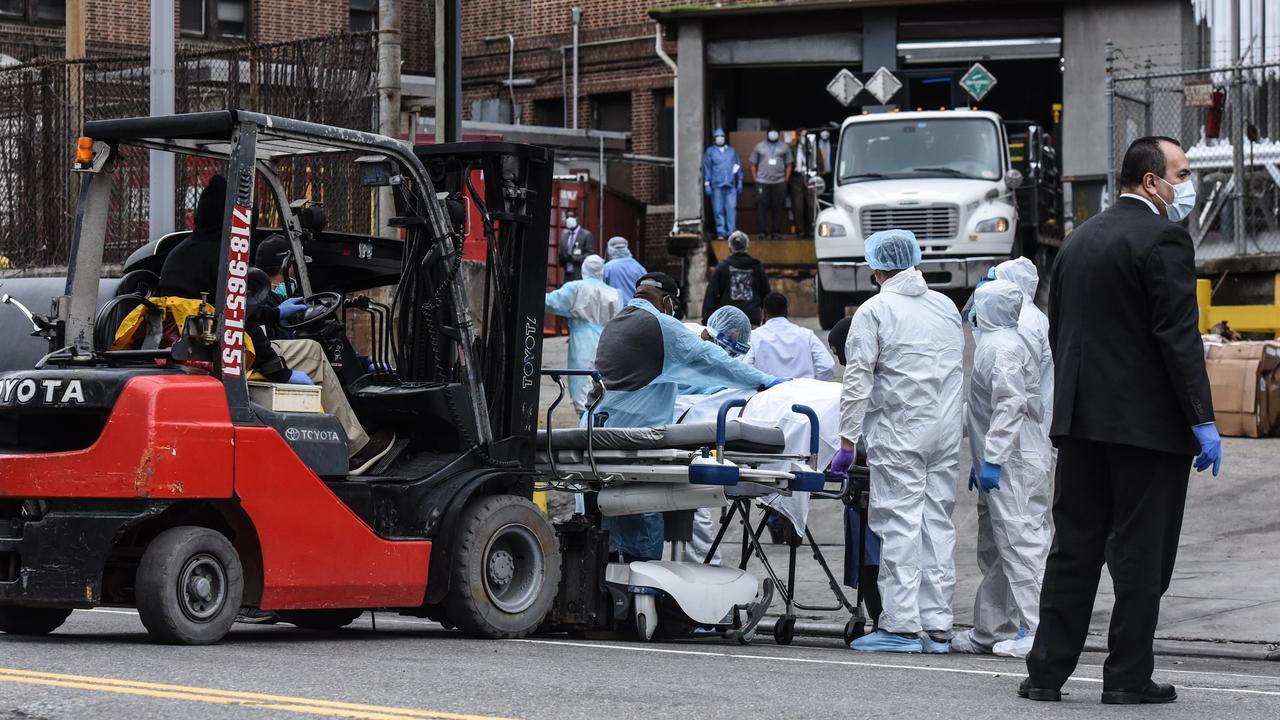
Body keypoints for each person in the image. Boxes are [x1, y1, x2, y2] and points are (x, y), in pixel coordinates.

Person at [1022, 136, 1221, 705]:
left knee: (1074, 548)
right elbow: (1177, 336)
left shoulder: (1078, 239)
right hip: (1146, 429)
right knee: (1140, 555)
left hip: (1081, 422)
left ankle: (1045, 673)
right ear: (1152, 182)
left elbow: (1061, 329)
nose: (1187, 186)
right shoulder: (1165, 236)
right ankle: (1127, 676)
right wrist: (1201, 418)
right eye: (1181, 175)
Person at [155, 176, 394, 476]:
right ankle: (357, 447)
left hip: (194, 349)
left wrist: (274, 315)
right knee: (312, 352)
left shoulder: (179, 252)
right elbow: (241, 322)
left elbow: (236, 311)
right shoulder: (227, 256)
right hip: (227, 354)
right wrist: (279, 370)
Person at [829, 228, 963, 654]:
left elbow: (857, 380)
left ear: (875, 268)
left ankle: (902, 626)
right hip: (944, 432)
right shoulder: (945, 307)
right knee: (937, 524)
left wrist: (847, 441)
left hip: (901, 432)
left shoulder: (874, 311)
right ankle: (938, 626)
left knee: (900, 524)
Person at [592, 272, 784, 561]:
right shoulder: (662, 325)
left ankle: (607, 593)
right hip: (634, 438)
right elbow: (711, 360)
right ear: (668, 301)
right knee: (639, 530)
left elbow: (673, 380)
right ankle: (640, 595)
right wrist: (764, 381)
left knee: (601, 533)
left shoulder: (618, 323)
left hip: (598, 431)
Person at [950, 279, 1051, 659]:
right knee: (1002, 550)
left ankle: (1044, 632)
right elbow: (985, 410)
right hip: (1010, 460)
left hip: (1014, 463)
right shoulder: (997, 343)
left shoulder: (1002, 347)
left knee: (1024, 546)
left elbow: (1010, 405)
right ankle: (992, 631)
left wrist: (992, 457)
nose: (972, 312)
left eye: (978, 304)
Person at [543, 254, 622, 416]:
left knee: (581, 381)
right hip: (607, 340)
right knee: (601, 381)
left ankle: (584, 422)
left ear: (584, 269)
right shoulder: (614, 293)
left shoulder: (576, 288)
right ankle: (598, 420)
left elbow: (550, 302)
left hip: (582, 340)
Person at [746, 292, 834, 380]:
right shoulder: (807, 335)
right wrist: (813, 388)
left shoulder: (754, 336)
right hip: (802, 392)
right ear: (787, 311)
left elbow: (744, 368)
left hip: (768, 392)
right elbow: (826, 366)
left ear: (764, 313)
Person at [702, 231, 770, 325]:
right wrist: (768, 319)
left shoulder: (722, 268)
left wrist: (707, 321)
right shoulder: (757, 267)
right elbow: (766, 294)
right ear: (747, 247)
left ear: (730, 248)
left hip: (729, 321)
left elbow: (711, 296)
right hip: (752, 319)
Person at [749, 128, 793, 240]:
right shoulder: (759, 146)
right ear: (767, 134)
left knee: (778, 207)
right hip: (762, 182)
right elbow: (753, 164)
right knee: (761, 207)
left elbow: (789, 164)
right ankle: (762, 232)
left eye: (775, 132)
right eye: (771, 132)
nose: (773, 134)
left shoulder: (784, 146)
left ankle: (776, 232)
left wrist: (785, 180)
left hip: (779, 182)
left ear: (778, 134)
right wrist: (756, 180)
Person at [702, 127, 744, 240]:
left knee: (731, 208)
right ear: (714, 138)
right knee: (718, 209)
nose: (720, 138)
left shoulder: (731, 151)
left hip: (730, 184)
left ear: (725, 138)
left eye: (722, 136)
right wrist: (707, 184)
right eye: (717, 137)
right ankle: (721, 232)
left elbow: (737, 165)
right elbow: (707, 168)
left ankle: (731, 232)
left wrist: (739, 180)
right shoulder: (710, 152)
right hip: (717, 185)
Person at [788, 130, 817, 239]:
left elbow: (819, 163)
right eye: (802, 135)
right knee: (797, 206)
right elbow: (788, 164)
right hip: (797, 177)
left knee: (811, 205)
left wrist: (816, 175)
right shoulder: (792, 149)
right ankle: (800, 231)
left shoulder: (813, 148)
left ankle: (812, 230)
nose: (804, 137)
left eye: (806, 135)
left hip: (810, 177)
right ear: (798, 136)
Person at [603, 236, 647, 304]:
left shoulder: (607, 267)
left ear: (610, 249)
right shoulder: (639, 267)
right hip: (636, 308)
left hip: (617, 309)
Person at [558, 210, 594, 282]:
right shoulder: (564, 236)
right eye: (567, 217)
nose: (569, 219)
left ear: (576, 218)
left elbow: (590, 254)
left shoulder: (586, 235)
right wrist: (563, 258)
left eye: (572, 216)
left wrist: (574, 258)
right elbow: (560, 256)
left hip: (580, 275)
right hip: (567, 275)